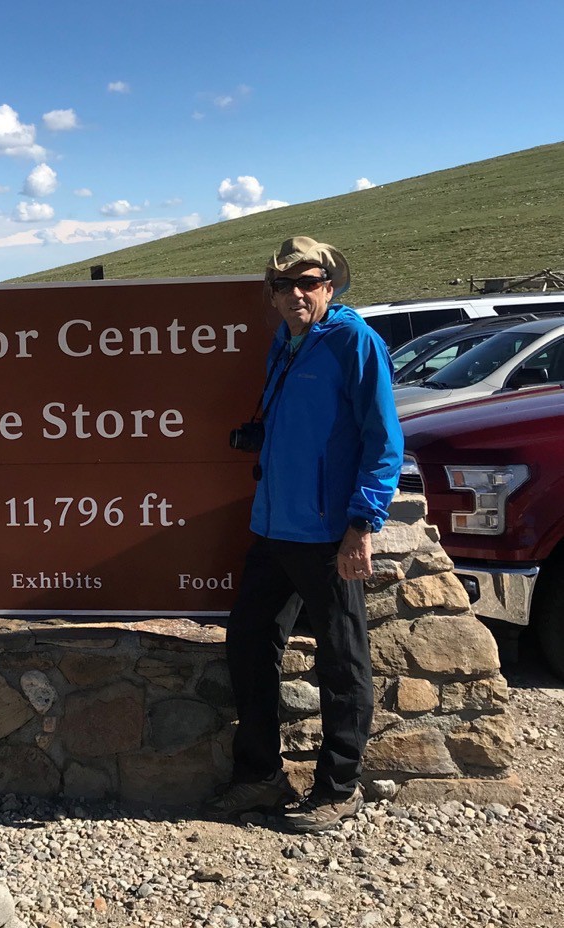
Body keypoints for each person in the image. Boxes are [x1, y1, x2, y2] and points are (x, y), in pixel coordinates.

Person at [208, 236, 403, 833]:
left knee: (343, 662)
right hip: (273, 528)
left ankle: (338, 787)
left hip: (326, 533)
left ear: (330, 286)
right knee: (248, 642)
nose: (296, 293)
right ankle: (261, 776)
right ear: (271, 295)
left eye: (309, 282)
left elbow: (383, 440)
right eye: (283, 285)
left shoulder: (354, 341)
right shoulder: (285, 344)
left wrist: (361, 525)